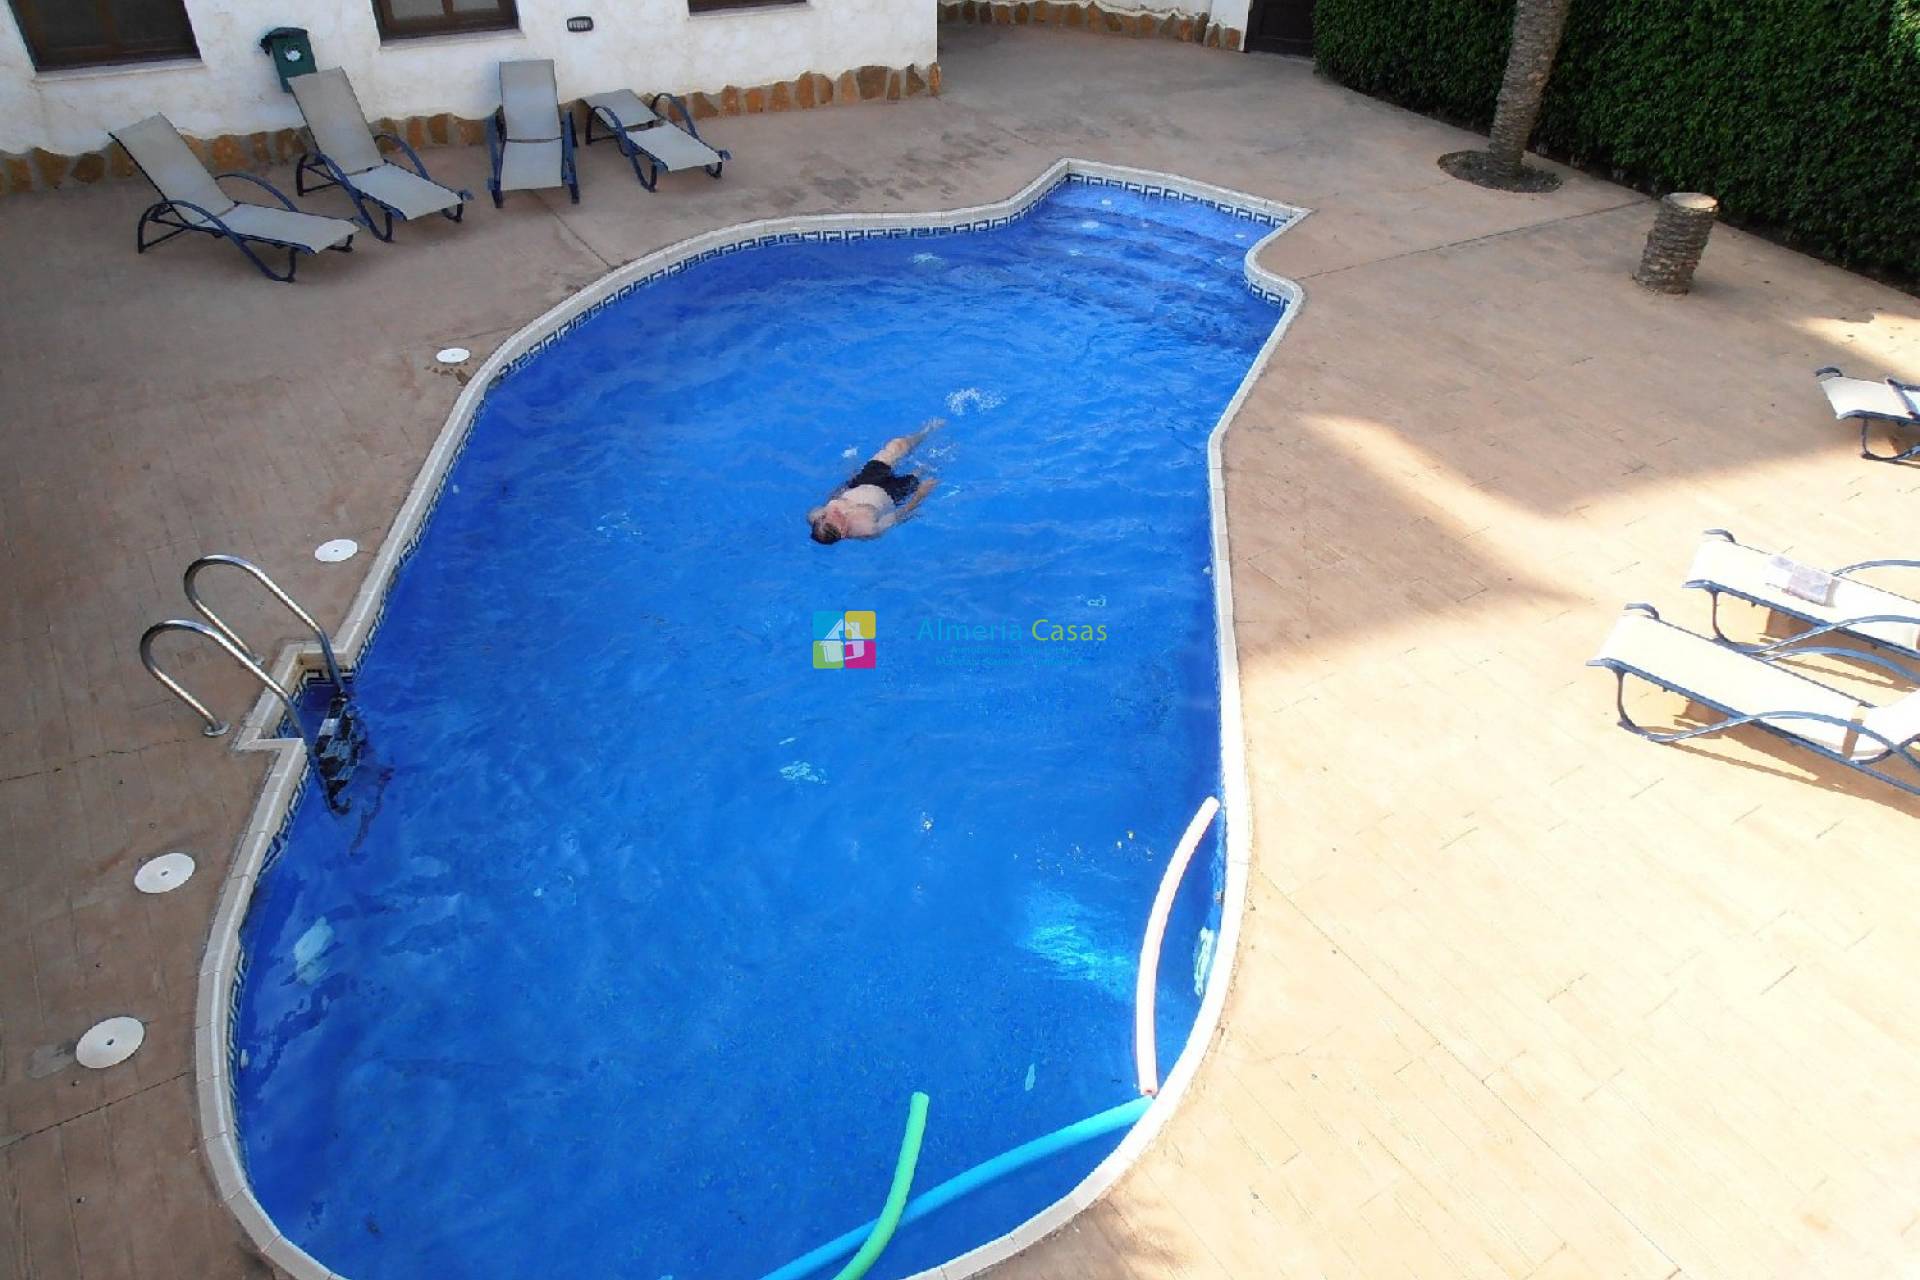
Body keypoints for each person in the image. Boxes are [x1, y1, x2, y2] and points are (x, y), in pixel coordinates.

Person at [808, 419, 944, 543]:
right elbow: (901, 514)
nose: (835, 511)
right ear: (843, 532)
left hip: (864, 481)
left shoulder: (817, 515)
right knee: (924, 468)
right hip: (893, 493)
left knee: (898, 445)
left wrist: (849, 481)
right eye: (838, 517)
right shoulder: (869, 529)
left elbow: (834, 495)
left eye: (825, 516)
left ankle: (927, 431)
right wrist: (921, 494)